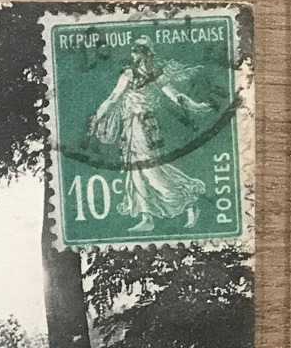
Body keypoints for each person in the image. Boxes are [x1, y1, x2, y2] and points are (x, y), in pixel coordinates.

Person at [87, 35, 211, 235]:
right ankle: (146, 217)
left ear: (144, 54)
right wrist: (97, 118)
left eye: (137, 51)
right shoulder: (131, 74)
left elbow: (175, 96)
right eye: (134, 51)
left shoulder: (153, 75)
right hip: (131, 126)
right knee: (135, 170)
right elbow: (112, 99)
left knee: (152, 171)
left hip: (144, 126)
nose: (134, 54)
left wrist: (195, 106)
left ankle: (188, 201)